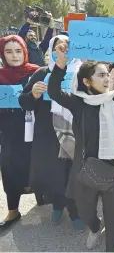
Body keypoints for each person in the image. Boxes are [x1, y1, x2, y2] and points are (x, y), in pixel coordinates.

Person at [47, 40, 114, 251]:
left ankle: (110, 248)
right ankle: (95, 228)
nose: (106, 79)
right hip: (84, 170)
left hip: (113, 169)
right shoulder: (78, 103)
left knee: (113, 218)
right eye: (101, 75)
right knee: (86, 212)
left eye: (107, 74)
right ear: (87, 81)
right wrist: (61, 62)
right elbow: (52, 91)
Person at [18, 35, 84, 231]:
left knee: (73, 172)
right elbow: (24, 102)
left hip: (74, 130)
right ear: (51, 50)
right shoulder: (42, 72)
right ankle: (57, 205)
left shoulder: (81, 73)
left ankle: (75, 211)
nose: (63, 49)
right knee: (54, 172)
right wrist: (34, 94)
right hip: (48, 133)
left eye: (67, 46)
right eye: (58, 46)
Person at [0, 35, 39, 229]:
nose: (14, 55)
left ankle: (44, 198)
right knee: (9, 167)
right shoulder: (0, 75)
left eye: (18, 51)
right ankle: (13, 210)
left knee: (36, 163)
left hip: (33, 127)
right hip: (8, 129)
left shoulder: (35, 73)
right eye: (8, 51)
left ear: (24, 51)